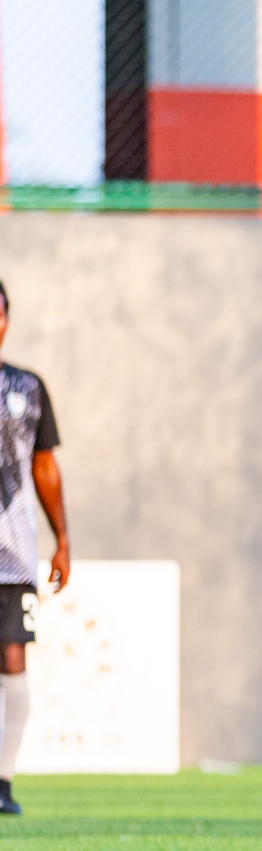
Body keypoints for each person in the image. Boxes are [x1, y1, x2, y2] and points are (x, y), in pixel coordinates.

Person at [0, 281, 69, 816]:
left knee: (12, 658)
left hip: (13, 554)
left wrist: (63, 539)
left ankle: (3, 782)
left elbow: (44, 466)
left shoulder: (27, 386)